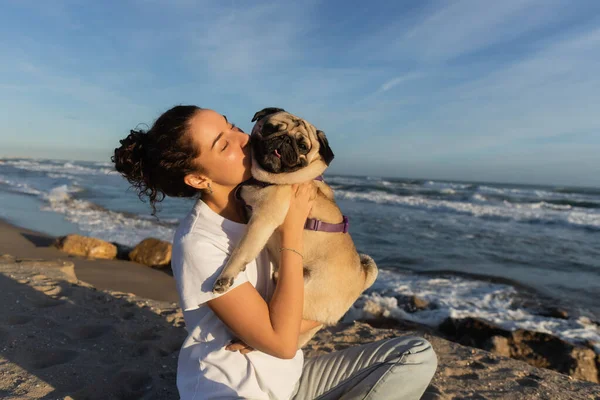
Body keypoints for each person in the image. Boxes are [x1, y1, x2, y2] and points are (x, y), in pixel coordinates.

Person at [112, 105, 437, 399]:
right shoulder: (200, 241)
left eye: (232, 126)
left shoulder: (273, 199)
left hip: (290, 384)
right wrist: (292, 231)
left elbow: (327, 299)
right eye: (223, 144)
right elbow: (282, 344)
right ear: (198, 178)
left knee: (416, 353)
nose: (240, 139)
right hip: (234, 388)